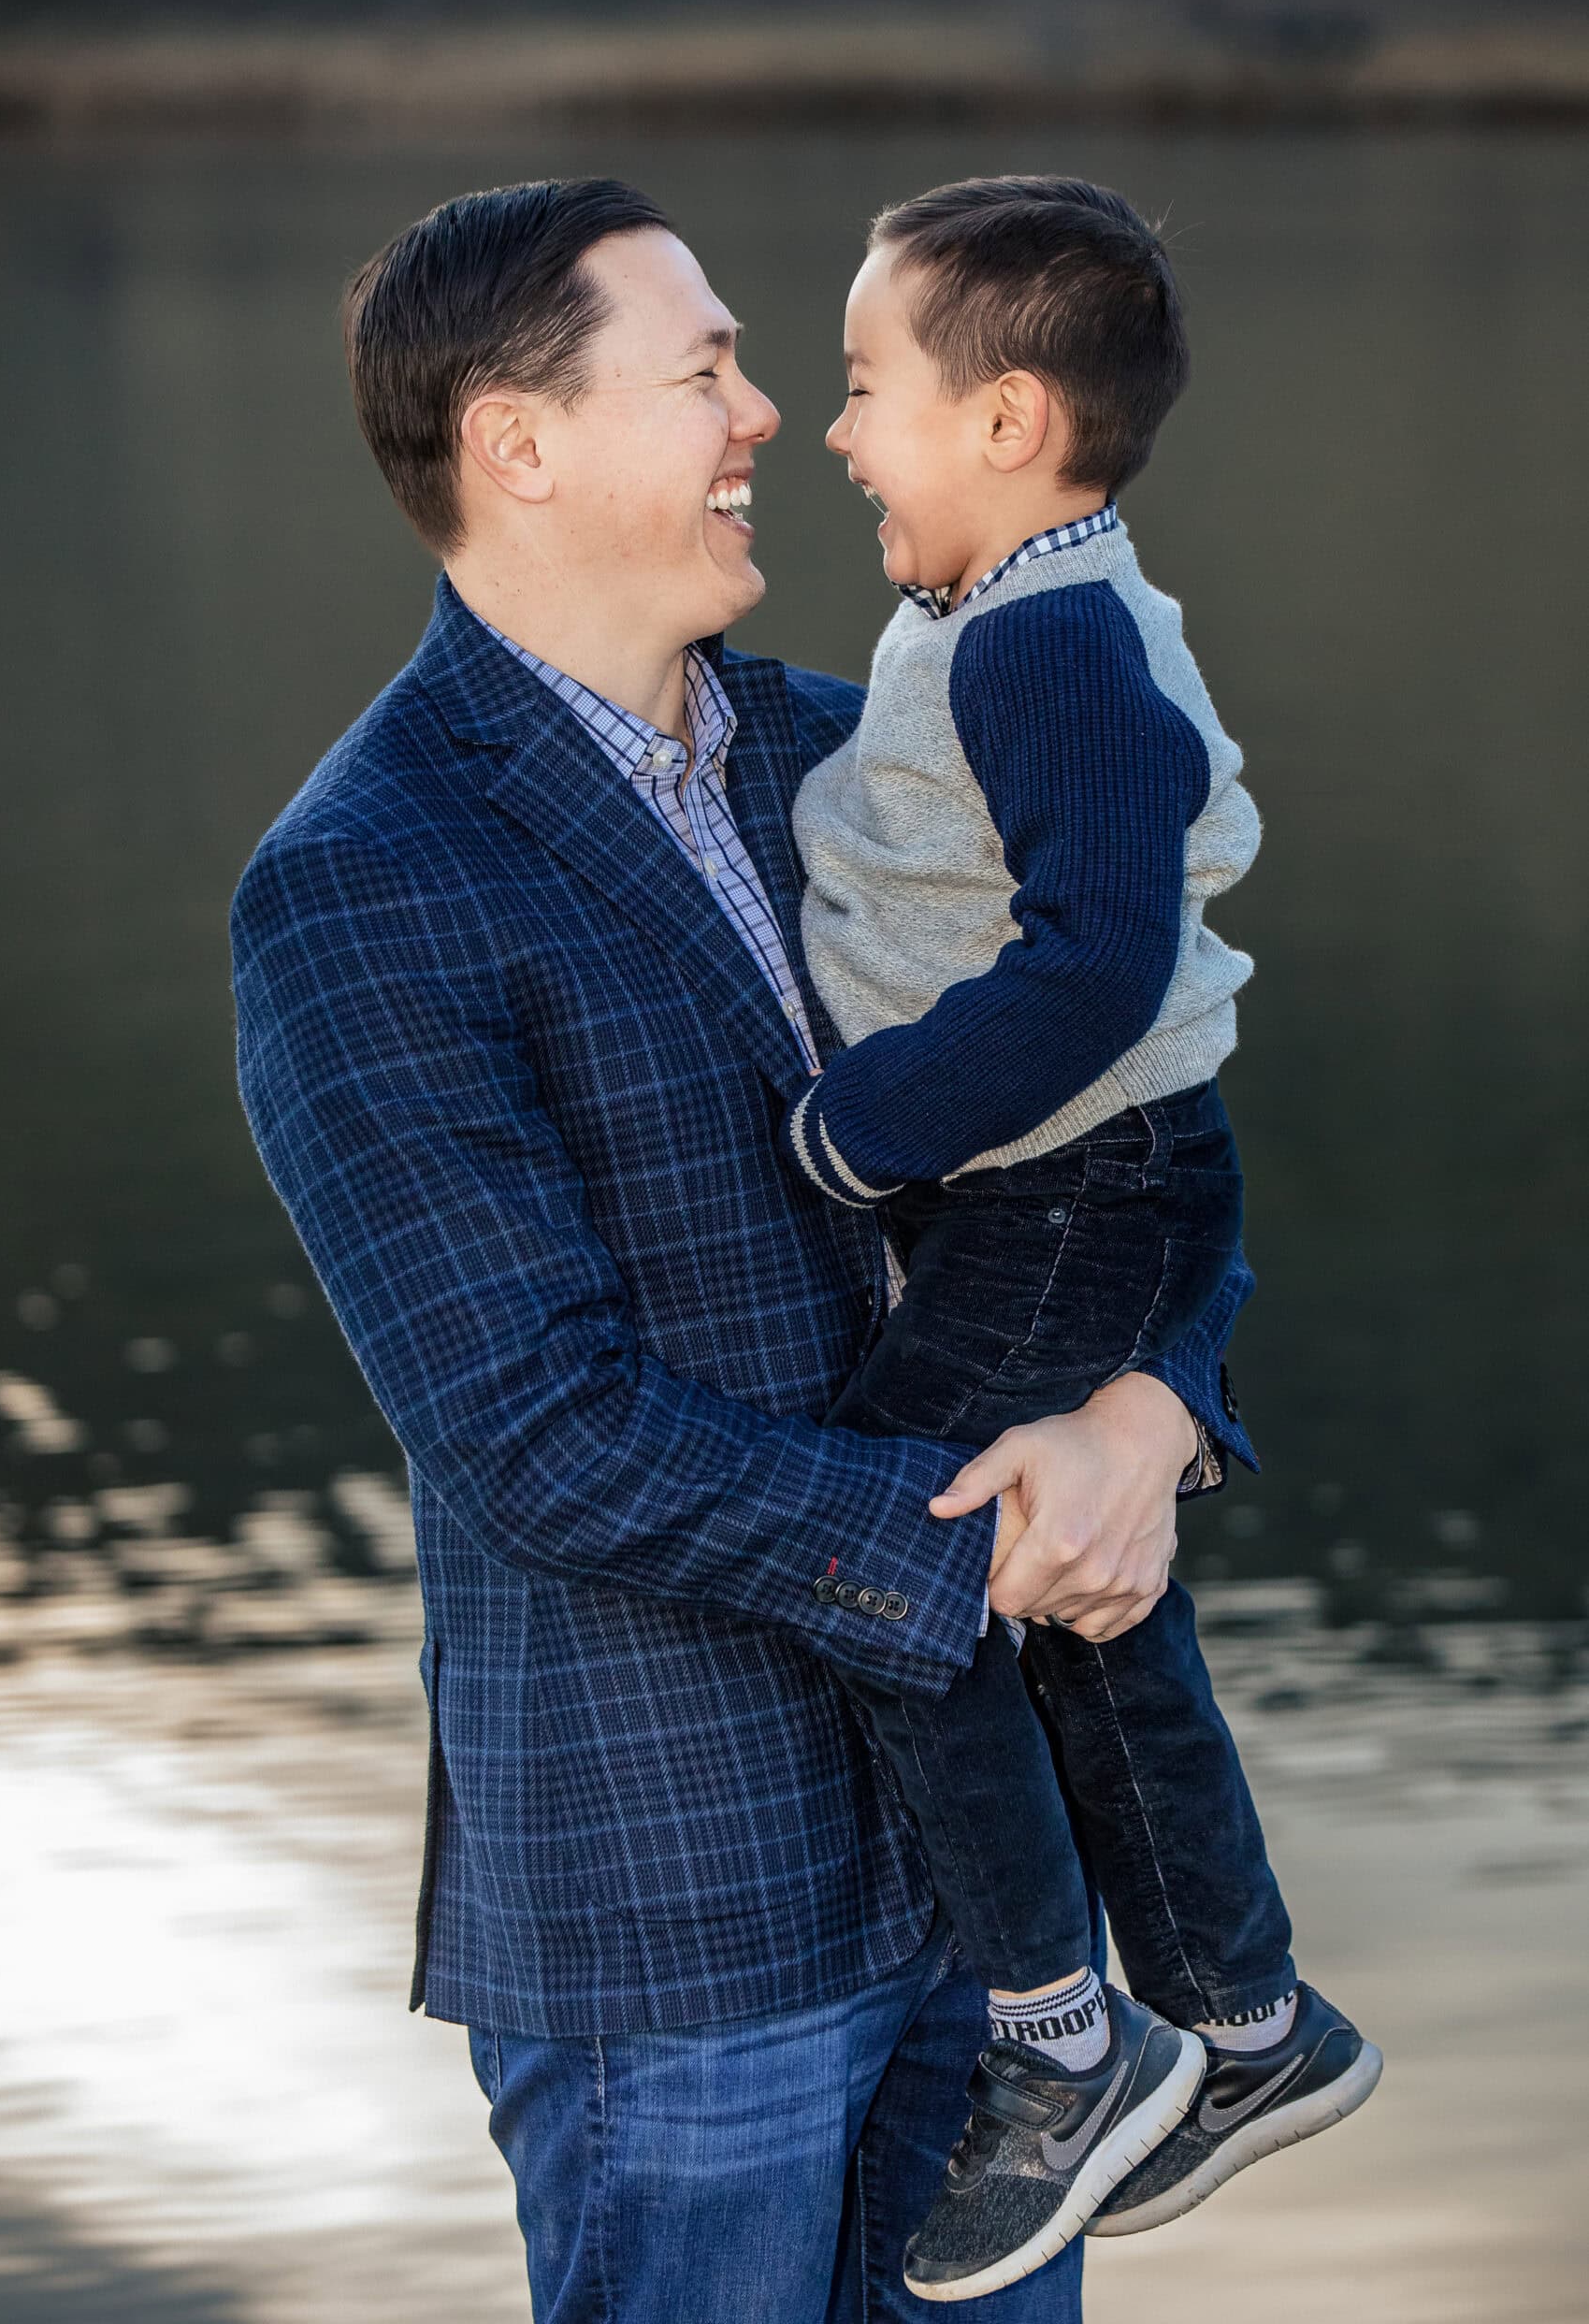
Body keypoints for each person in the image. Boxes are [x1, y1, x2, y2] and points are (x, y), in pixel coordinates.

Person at [231, 177, 1249, 2323]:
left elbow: (1139, 1114)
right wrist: (980, 1532)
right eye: (702, 371)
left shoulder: (863, 737)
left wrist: (1154, 1410)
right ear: (518, 440)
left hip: (1000, 1923)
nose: (769, 412)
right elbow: (540, 1428)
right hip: (675, 1918)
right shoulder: (360, 881)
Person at [778, 176, 1381, 2302]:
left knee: (898, 1552)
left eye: (866, 390)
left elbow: (1101, 954)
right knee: (1074, 1601)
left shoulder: (1043, 640)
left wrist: (860, 1133)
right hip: (1096, 1181)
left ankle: (1058, 2031)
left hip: (1066, 1182)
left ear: (1009, 420)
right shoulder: (1017, 610)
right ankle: (1244, 2018)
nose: (836, 432)